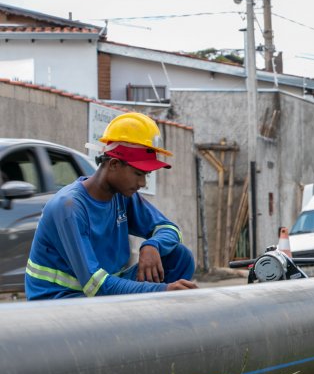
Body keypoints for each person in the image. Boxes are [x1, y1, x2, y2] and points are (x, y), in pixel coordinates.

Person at [25, 112, 197, 300]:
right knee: (158, 290)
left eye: (145, 176)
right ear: (114, 164)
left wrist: (152, 245)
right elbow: (95, 285)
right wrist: (161, 291)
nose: (142, 183)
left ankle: (150, 322)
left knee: (179, 257)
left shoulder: (123, 196)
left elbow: (170, 229)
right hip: (61, 299)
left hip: (100, 291)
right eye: (138, 173)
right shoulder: (69, 207)